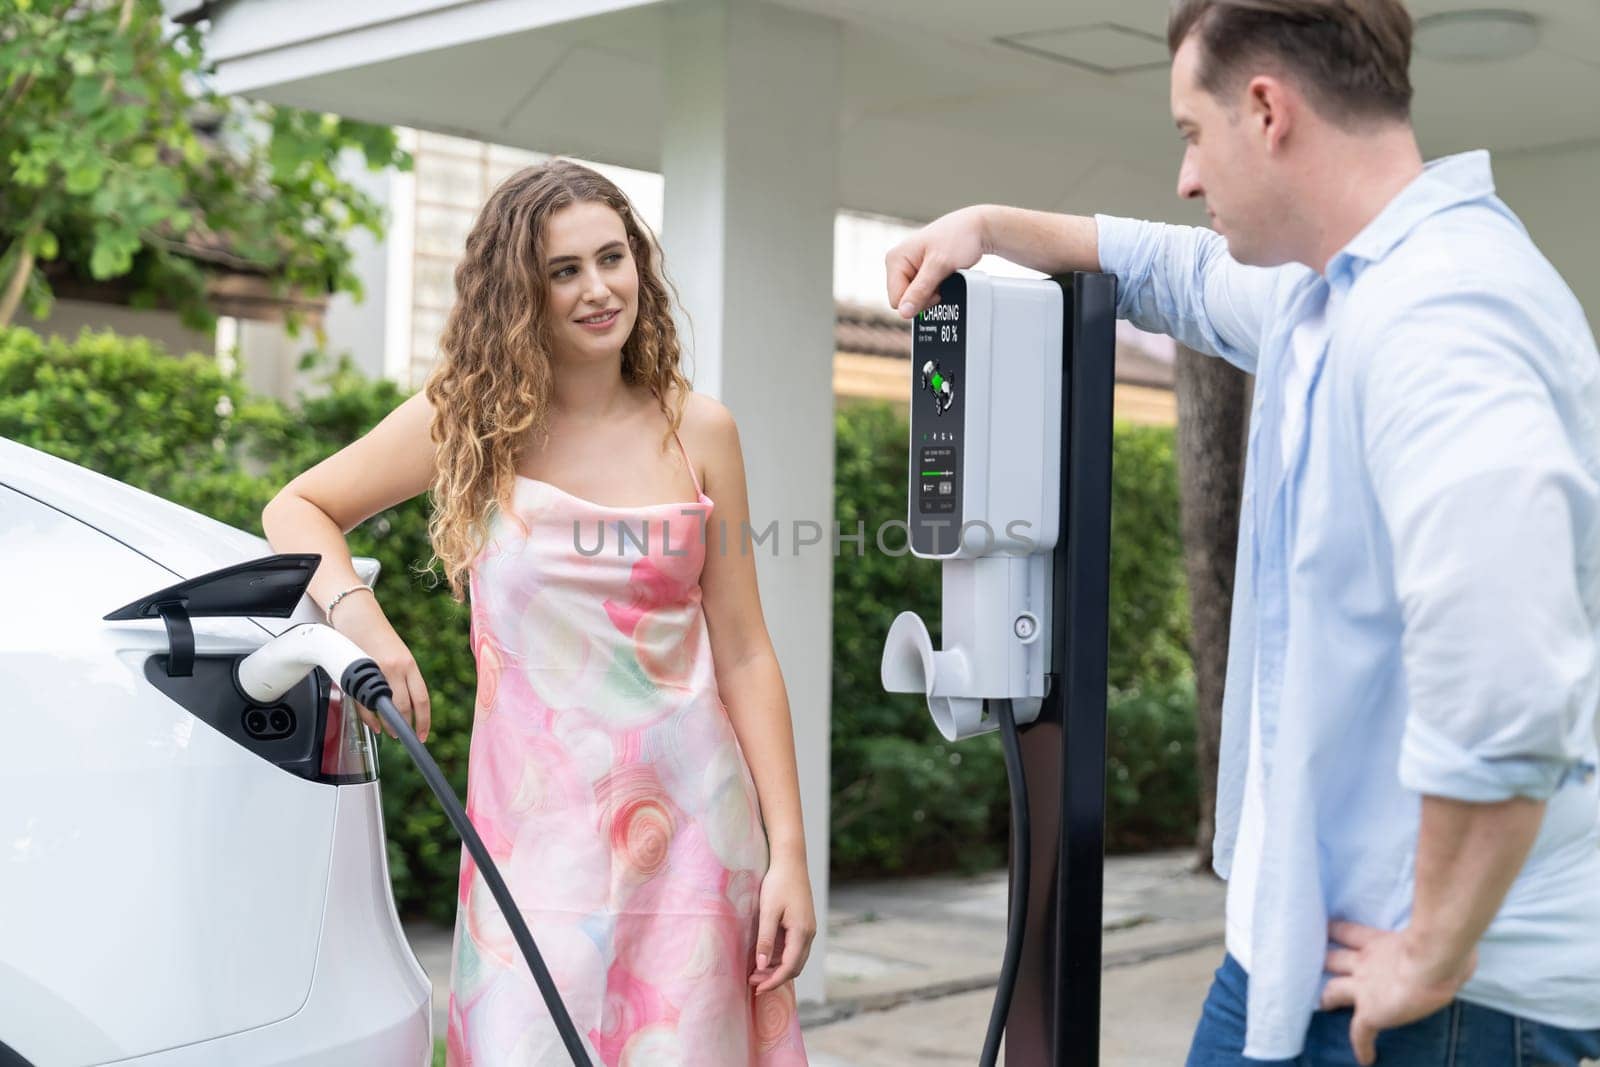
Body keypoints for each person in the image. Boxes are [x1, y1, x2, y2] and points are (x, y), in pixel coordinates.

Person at [887, 1, 1600, 1064]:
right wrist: (989, 225)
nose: (1185, 174)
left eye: (1189, 132)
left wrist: (1434, 954)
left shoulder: (1442, 313)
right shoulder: (1324, 292)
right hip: (1295, 949)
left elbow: (1505, 682)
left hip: (1420, 991)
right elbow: (1164, 268)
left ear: (1265, 110)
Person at [262, 159, 813, 1065]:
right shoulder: (467, 422)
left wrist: (789, 854)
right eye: (565, 270)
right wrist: (361, 618)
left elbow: (747, 653)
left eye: (613, 258)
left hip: (697, 851)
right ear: (521, 291)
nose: (599, 290)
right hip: (533, 851)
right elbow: (298, 508)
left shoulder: (701, 431)